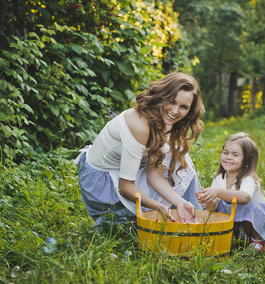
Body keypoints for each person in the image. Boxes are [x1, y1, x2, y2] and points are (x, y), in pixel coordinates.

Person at [74, 72, 205, 227]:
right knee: (140, 224)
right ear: (161, 95)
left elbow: (153, 173)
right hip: (101, 183)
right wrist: (158, 206)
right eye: (171, 101)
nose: (175, 111)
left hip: (126, 172)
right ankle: (113, 219)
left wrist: (180, 201)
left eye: (184, 107)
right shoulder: (139, 125)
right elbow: (125, 187)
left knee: (180, 160)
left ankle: (195, 218)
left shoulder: (163, 119)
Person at [196, 132, 265, 252]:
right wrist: (208, 201)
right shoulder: (220, 178)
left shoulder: (249, 178)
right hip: (238, 223)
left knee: (245, 205)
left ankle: (257, 240)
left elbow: (244, 198)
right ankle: (229, 235)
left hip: (255, 223)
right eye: (226, 152)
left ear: (247, 160)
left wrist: (218, 191)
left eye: (235, 155)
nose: (228, 157)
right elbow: (214, 208)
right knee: (222, 205)